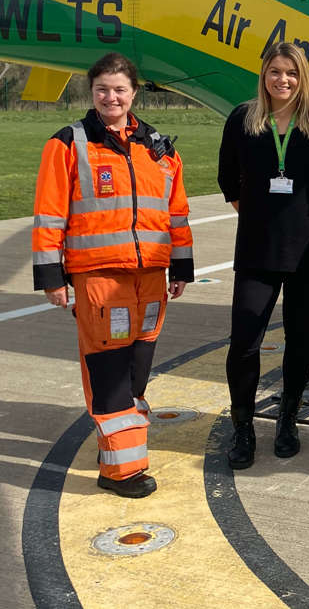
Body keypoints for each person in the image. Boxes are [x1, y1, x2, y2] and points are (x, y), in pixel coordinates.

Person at [31, 52, 193, 498]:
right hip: (99, 278)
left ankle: (115, 446)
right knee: (110, 373)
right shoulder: (68, 144)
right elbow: (49, 214)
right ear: (92, 92)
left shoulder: (159, 149)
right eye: (102, 88)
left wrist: (181, 266)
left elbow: (176, 214)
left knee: (137, 370)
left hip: (151, 280)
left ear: (134, 93)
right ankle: (121, 471)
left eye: (120, 89)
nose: (111, 97)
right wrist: (51, 276)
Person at [218, 42, 309, 470]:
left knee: (300, 333)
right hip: (258, 246)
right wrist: (262, 215)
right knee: (244, 340)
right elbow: (227, 179)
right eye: (275, 71)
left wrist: (295, 220)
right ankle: (243, 427)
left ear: (302, 76)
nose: (282, 79)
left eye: (291, 72)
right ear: (264, 74)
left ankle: (288, 418)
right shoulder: (243, 120)